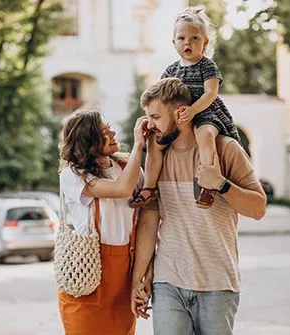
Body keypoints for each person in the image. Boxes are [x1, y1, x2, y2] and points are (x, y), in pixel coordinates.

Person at [130, 78, 267, 335]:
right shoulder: (156, 160)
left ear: (181, 112)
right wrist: (139, 279)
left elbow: (258, 209)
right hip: (168, 281)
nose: (150, 125)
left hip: (217, 284)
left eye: (156, 116)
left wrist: (221, 185)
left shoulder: (225, 150)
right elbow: (149, 223)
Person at [129, 6, 240, 210]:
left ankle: (208, 184)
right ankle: (149, 188)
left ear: (205, 43)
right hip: (177, 118)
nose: (187, 42)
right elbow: (159, 98)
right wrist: (152, 120)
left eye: (195, 38)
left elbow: (210, 93)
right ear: (174, 43)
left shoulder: (207, 66)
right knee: (155, 144)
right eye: (181, 38)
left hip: (205, 112)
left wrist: (193, 111)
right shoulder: (170, 70)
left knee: (205, 137)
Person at [57, 108, 150, 335]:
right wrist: (139, 145)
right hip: (87, 275)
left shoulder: (127, 168)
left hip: (124, 276)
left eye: (109, 128)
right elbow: (121, 189)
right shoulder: (73, 175)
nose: (113, 133)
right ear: (88, 141)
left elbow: (148, 212)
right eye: (104, 131)